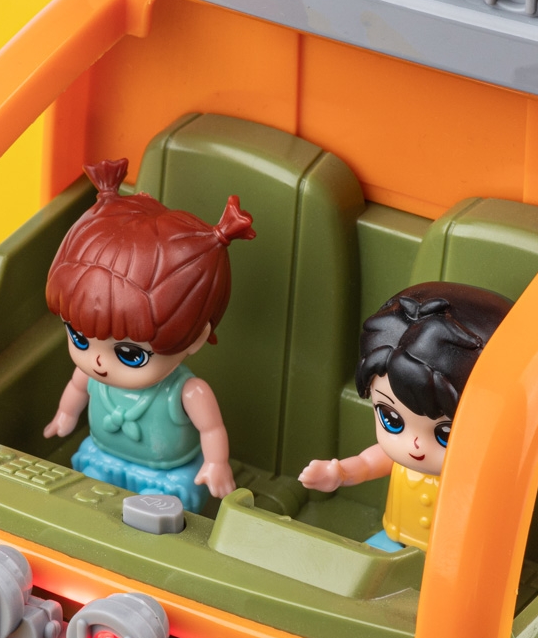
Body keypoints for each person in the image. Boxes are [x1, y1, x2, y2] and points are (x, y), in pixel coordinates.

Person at [43, 157, 255, 512]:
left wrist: (216, 463)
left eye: (130, 354)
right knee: (86, 484)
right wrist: (65, 415)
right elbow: (76, 392)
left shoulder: (188, 391)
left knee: (165, 508)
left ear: (195, 339)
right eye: (79, 337)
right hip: (104, 457)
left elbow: (211, 430)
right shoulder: (90, 374)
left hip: (167, 475)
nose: (97, 361)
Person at [299, 282, 512, 551]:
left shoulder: (477, 480)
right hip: (395, 540)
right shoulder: (401, 460)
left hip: (455, 556)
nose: (416, 446)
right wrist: (340, 474)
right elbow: (366, 464)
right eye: (392, 420)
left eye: (445, 434)